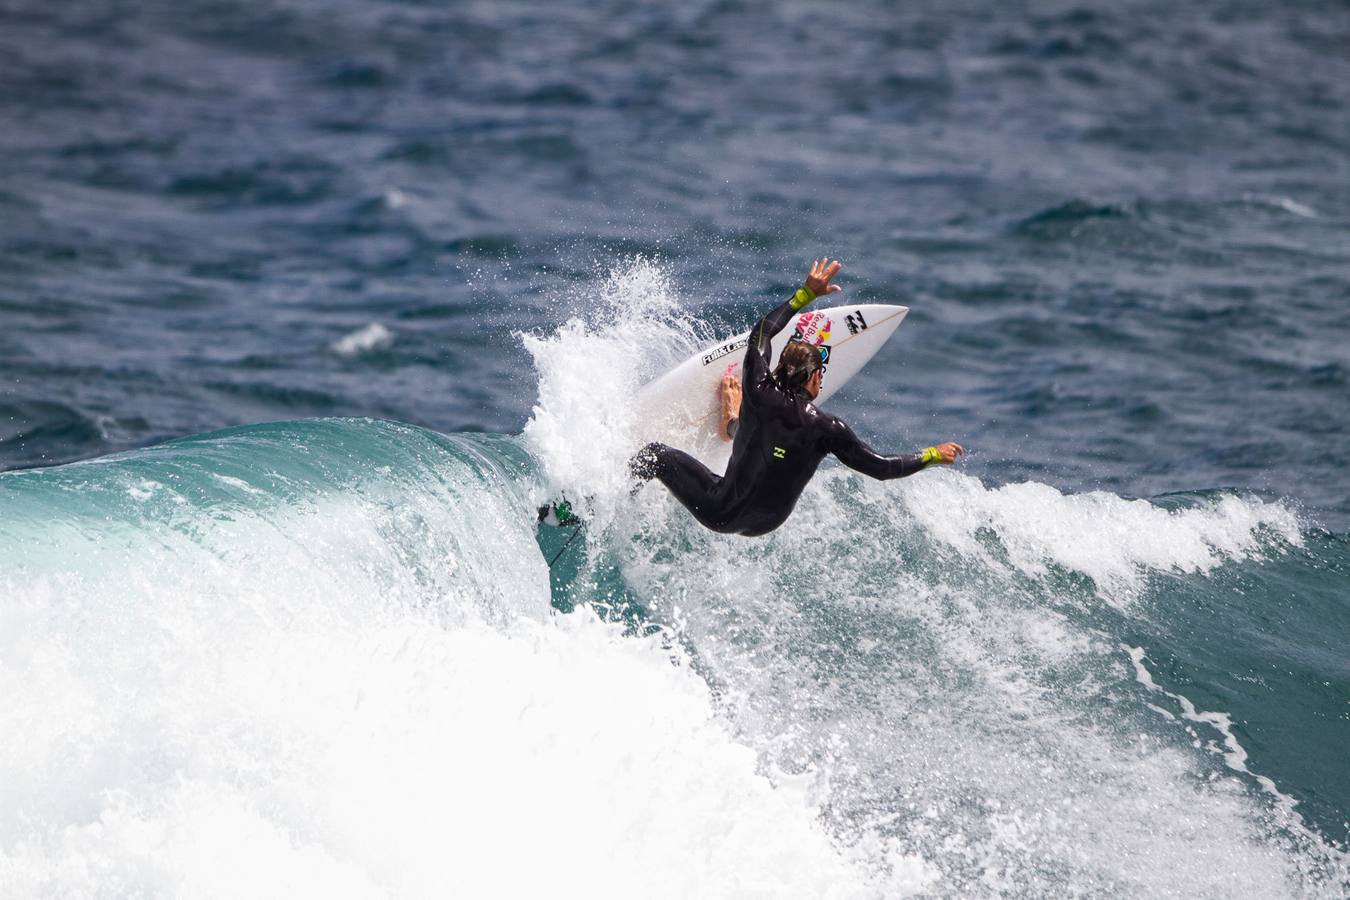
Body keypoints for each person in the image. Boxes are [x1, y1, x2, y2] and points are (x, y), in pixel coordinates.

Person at [630, 258, 963, 537]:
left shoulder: (759, 390)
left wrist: (805, 294)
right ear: (816, 377)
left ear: (781, 369)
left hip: (719, 510)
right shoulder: (828, 429)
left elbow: (761, 332)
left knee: (655, 454)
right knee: (762, 434)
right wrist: (934, 454)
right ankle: (732, 422)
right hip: (766, 524)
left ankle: (602, 504)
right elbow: (882, 468)